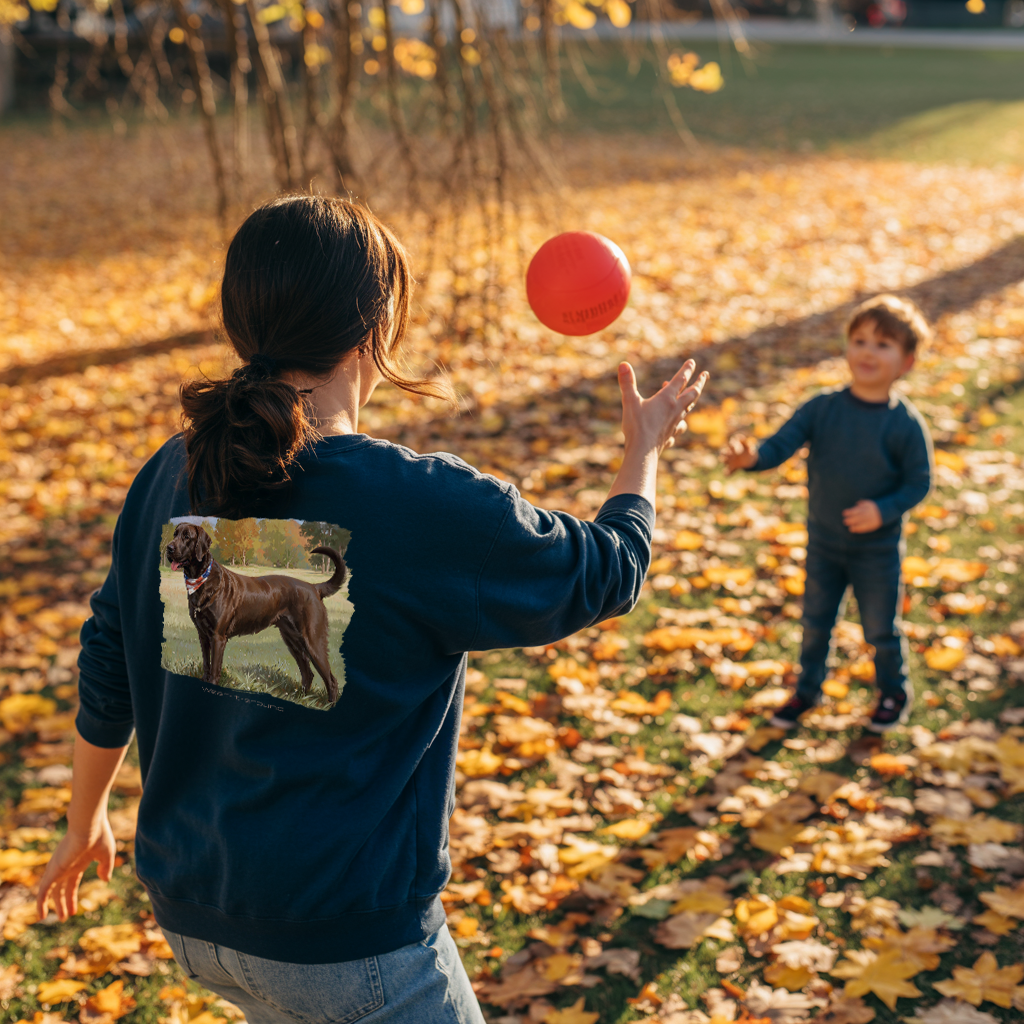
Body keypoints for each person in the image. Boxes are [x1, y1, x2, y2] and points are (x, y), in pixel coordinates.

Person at [36, 194, 708, 1024]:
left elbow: (109, 658)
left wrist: (83, 818)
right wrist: (641, 453)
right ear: (376, 327)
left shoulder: (171, 473)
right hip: (347, 945)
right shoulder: (419, 506)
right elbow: (609, 571)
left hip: (198, 918)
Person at [723, 294, 933, 733]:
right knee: (816, 621)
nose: (867, 351)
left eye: (883, 344)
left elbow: (918, 482)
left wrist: (882, 509)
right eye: (859, 340)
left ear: (906, 361)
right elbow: (781, 445)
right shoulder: (823, 408)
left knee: (880, 628)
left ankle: (893, 692)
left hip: (876, 550)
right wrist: (753, 458)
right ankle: (808, 688)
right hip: (823, 543)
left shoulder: (904, 425)